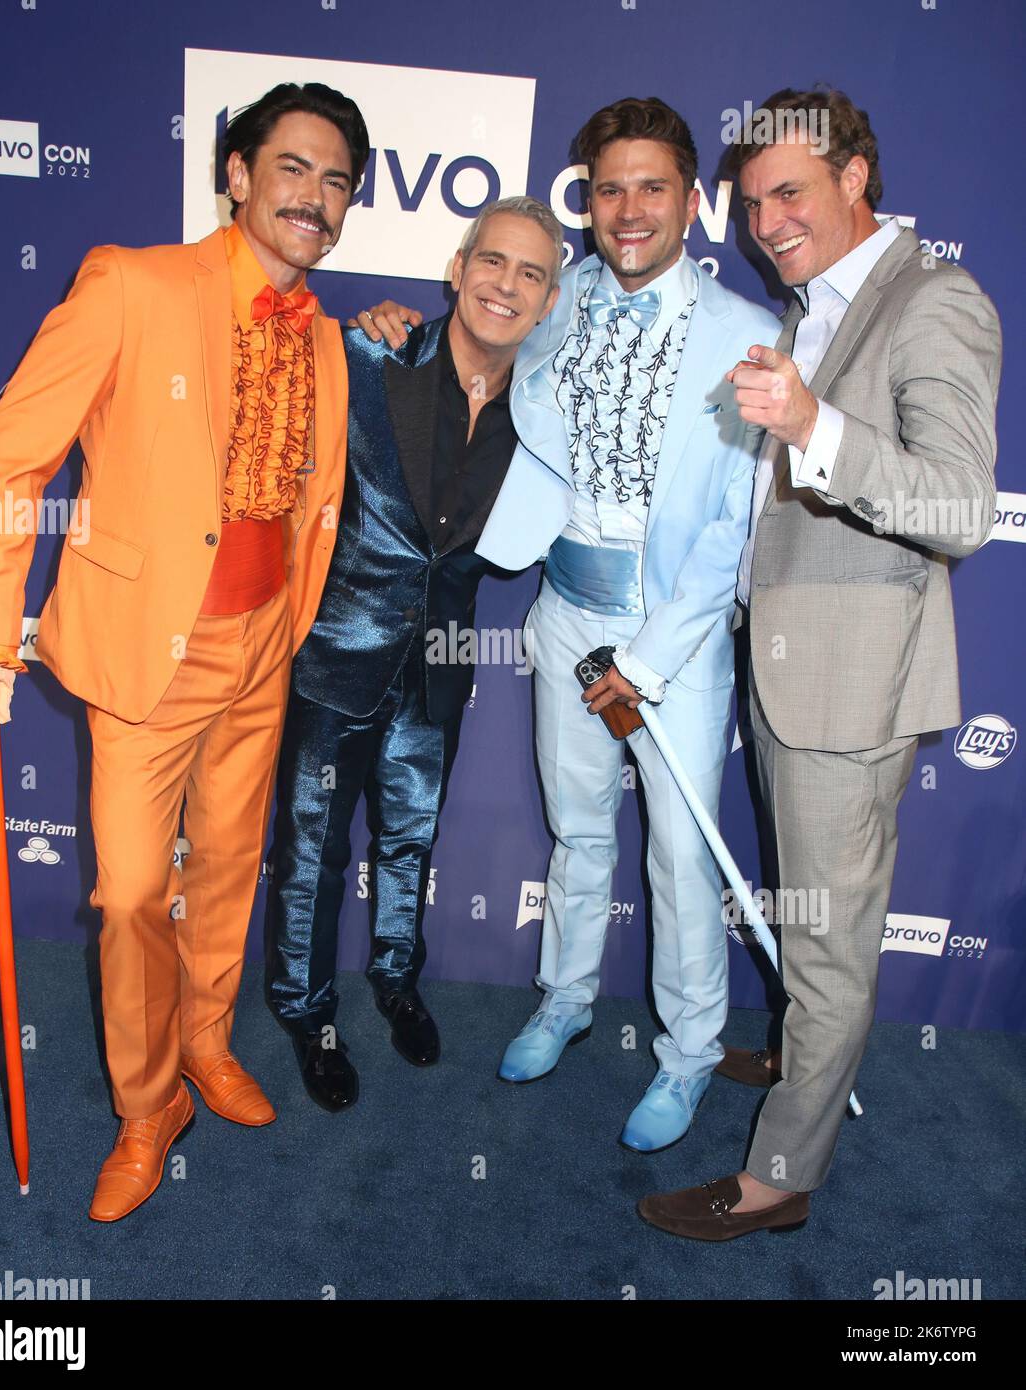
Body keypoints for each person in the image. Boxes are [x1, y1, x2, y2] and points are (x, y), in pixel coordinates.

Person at [0, 81, 366, 1220]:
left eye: (336, 183)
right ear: (237, 174)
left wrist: (290, 624)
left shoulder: (323, 336)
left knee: (227, 868)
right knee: (133, 892)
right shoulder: (131, 283)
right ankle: (146, 1104)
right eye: (292, 168)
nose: (312, 198)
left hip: (264, 645)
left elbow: (312, 499)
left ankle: (209, 1042)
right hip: (147, 655)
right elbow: (14, 455)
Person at [366, 98, 778, 1149]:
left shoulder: (750, 338)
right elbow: (473, 343)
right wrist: (392, 334)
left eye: (652, 188)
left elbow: (733, 528)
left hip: (672, 637)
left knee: (683, 856)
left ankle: (688, 1053)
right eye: (608, 188)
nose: (628, 209)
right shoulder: (555, 298)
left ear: (694, 202)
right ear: (584, 202)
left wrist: (644, 660)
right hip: (561, 616)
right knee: (579, 831)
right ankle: (566, 997)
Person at [638, 87, 1001, 1240]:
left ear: (857, 179)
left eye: (790, 192)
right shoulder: (816, 306)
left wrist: (813, 429)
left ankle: (780, 1176)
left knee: (834, 932)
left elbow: (958, 505)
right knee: (809, 909)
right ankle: (803, 1049)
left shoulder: (934, 299)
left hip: (850, 678)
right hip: (795, 660)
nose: (767, 221)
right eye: (750, 205)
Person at [267, 197, 562, 1111]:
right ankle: (308, 1012)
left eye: (530, 275)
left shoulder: (549, 415)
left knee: (410, 839)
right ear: (457, 267)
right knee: (314, 850)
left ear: (550, 301)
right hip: (337, 655)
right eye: (492, 262)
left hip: (438, 664)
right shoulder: (371, 355)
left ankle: (396, 980)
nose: (505, 286)